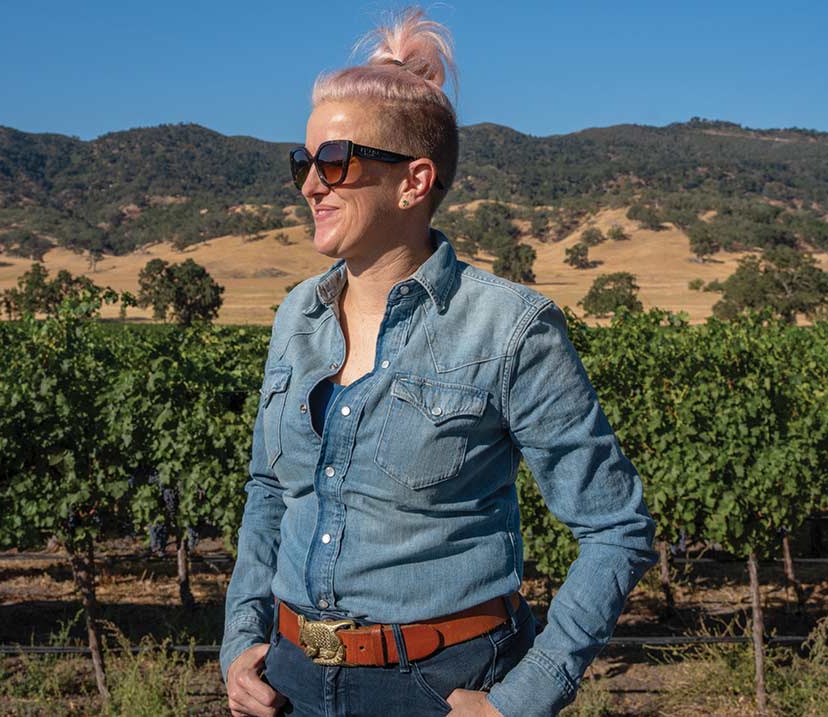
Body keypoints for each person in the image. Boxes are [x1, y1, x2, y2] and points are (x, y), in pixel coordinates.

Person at [220, 7, 657, 716]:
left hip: (440, 688)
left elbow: (616, 530)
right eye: (304, 162)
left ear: (414, 181)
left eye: (335, 161)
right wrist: (240, 638)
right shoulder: (297, 315)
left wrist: (522, 699)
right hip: (289, 681)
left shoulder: (511, 328)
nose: (310, 183)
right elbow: (269, 490)